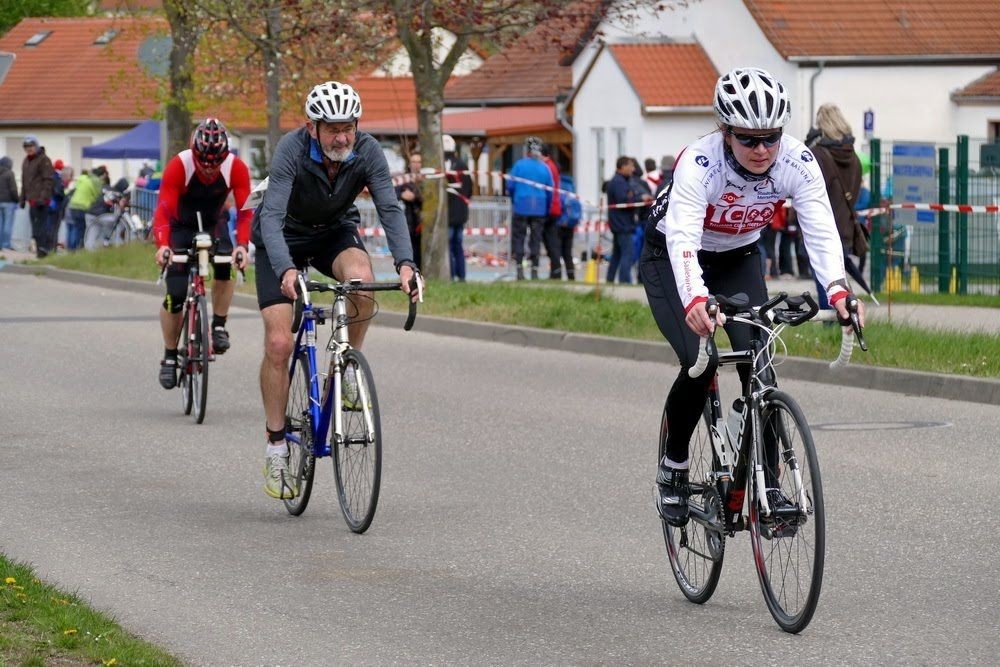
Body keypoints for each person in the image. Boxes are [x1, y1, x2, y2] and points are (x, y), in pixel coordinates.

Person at [639, 67, 865, 527]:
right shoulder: (700, 162)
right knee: (699, 365)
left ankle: (772, 485)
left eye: (771, 137)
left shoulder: (797, 161)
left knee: (758, 367)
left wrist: (838, 290)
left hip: (739, 255)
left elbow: (820, 228)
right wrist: (695, 301)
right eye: (748, 139)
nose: (762, 149)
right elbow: (683, 236)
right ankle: (674, 465)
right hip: (672, 258)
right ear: (725, 132)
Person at [252, 80, 420, 500]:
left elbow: (390, 208)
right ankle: (276, 446)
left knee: (361, 280)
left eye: (348, 127)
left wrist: (406, 264)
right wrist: (287, 270)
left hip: (332, 233)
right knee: (277, 343)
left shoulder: (367, 151)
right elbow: (271, 216)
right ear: (313, 127)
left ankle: (345, 364)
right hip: (282, 238)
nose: (342, 137)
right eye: (332, 128)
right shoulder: (291, 150)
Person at [153, 118, 252, 391]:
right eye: (203, 162)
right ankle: (170, 356)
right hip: (179, 226)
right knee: (175, 295)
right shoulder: (179, 165)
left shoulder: (236, 168)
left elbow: (245, 212)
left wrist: (243, 245)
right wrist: (163, 245)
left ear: (225, 156)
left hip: (213, 222)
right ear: (193, 151)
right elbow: (162, 211)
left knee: (228, 263)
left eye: (215, 163)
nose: (208, 169)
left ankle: (218, 325)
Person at [805, 103, 866, 308]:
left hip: (822, 229)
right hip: (846, 229)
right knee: (840, 285)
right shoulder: (855, 158)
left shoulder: (818, 156)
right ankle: (843, 327)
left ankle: (832, 329)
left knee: (827, 287)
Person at [506, 136, 553, 280]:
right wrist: (547, 206)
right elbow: (550, 190)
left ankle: (520, 269)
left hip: (521, 206)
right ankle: (534, 270)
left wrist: (515, 199)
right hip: (539, 208)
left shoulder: (519, 165)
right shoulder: (544, 168)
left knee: (519, 237)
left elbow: (510, 185)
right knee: (535, 239)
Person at [605, 156, 646, 284]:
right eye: (631, 166)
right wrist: (638, 199)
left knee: (617, 254)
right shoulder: (618, 182)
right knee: (627, 254)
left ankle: (610, 279)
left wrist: (633, 196)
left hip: (620, 223)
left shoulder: (623, 180)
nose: (633, 169)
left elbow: (629, 197)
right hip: (623, 224)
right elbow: (624, 200)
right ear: (622, 167)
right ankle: (625, 281)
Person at [19, 135, 55, 258]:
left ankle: (44, 251)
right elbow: (24, 181)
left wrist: (43, 198)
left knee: (41, 227)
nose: (29, 149)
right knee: (35, 229)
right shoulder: (26, 161)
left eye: (31, 146)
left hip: (41, 201)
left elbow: (48, 180)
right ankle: (41, 250)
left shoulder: (44, 160)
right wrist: (22, 198)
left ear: (36, 146)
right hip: (31, 200)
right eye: (26, 147)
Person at [443, 135, 473, 281]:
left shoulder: (443, 167)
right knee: (458, 246)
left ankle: (451, 275)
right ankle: (461, 276)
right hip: (461, 214)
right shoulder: (463, 165)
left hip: (448, 214)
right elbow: (469, 190)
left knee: (448, 246)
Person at [538, 143, 563, 279]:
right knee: (551, 241)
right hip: (554, 207)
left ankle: (555, 271)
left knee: (550, 241)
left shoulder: (547, 167)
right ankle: (555, 270)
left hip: (549, 208)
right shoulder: (552, 165)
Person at [396, 151, 424, 269]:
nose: (416, 165)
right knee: (410, 250)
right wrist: (402, 194)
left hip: (424, 220)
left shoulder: (426, 178)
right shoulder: (404, 179)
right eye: (413, 162)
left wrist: (415, 197)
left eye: (419, 162)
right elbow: (393, 191)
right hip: (408, 221)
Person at [66, 167, 103, 251]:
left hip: (73, 205)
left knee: (75, 227)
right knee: (81, 229)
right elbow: (97, 195)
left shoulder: (81, 179)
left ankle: (71, 249)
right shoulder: (95, 181)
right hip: (82, 207)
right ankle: (77, 248)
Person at [554, 170, 581, 280]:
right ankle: (571, 276)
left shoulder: (557, 185)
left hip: (559, 223)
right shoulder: (571, 186)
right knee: (567, 252)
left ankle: (556, 274)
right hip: (570, 224)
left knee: (556, 251)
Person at [0, 156, 17, 251]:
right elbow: (13, 189)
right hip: (8, 202)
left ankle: (0, 245)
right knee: (8, 224)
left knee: (0, 224)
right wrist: (17, 200)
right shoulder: (10, 173)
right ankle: (6, 244)